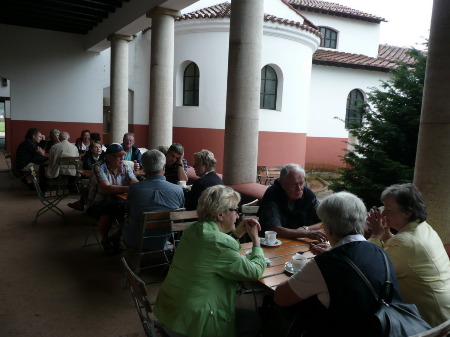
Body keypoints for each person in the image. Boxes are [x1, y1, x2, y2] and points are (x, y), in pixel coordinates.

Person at [273, 192, 404, 337]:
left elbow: (281, 297)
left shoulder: (327, 263)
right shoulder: (381, 252)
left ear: (328, 229)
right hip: (384, 329)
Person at [154, 185, 266, 337]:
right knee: (255, 321)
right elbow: (254, 271)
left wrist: (237, 232)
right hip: (194, 322)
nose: (238, 216)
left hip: (172, 311)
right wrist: (256, 242)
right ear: (220, 214)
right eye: (235, 210)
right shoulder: (218, 242)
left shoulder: (193, 229)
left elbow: (215, 254)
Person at [367, 183, 450, 327]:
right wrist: (386, 233)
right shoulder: (423, 228)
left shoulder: (406, 242)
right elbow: (398, 251)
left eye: (388, 210)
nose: (383, 214)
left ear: (407, 212)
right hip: (444, 312)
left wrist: (375, 234)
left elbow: (370, 266)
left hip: (432, 322)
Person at [123, 149, 184, 252]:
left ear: (145, 169)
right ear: (163, 167)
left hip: (136, 241)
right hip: (164, 241)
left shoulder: (134, 189)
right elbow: (179, 216)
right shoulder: (178, 190)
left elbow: (127, 211)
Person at [86, 143, 139, 255]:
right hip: (97, 203)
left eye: (123, 156)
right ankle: (105, 240)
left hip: (118, 202)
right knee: (107, 212)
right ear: (108, 157)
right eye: (118, 156)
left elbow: (135, 182)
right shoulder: (99, 167)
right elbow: (106, 188)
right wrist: (131, 188)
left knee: (133, 213)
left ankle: (116, 236)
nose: (122, 159)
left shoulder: (125, 167)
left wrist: (136, 186)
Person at [257, 164, 326, 242]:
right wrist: (305, 233)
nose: (299, 188)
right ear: (282, 184)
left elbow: (324, 222)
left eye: (301, 183)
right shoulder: (273, 194)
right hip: (273, 243)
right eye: (294, 184)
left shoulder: (307, 194)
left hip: (299, 243)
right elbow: (274, 229)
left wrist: (305, 229)